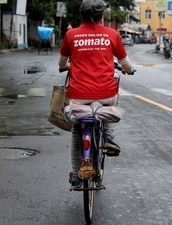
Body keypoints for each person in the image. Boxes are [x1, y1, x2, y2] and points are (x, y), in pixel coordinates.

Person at [58, 0, 135, 187]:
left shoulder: (71, 35)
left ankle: (77, 174)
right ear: (102, 15)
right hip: (105, 94)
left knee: (77, 130)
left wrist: (68, 66)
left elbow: (61, 64)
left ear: (81, 15)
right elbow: (125, 63)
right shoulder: (112, 35)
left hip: (79, 95)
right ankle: (107, 135)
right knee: (112, 97)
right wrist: (129, 70)